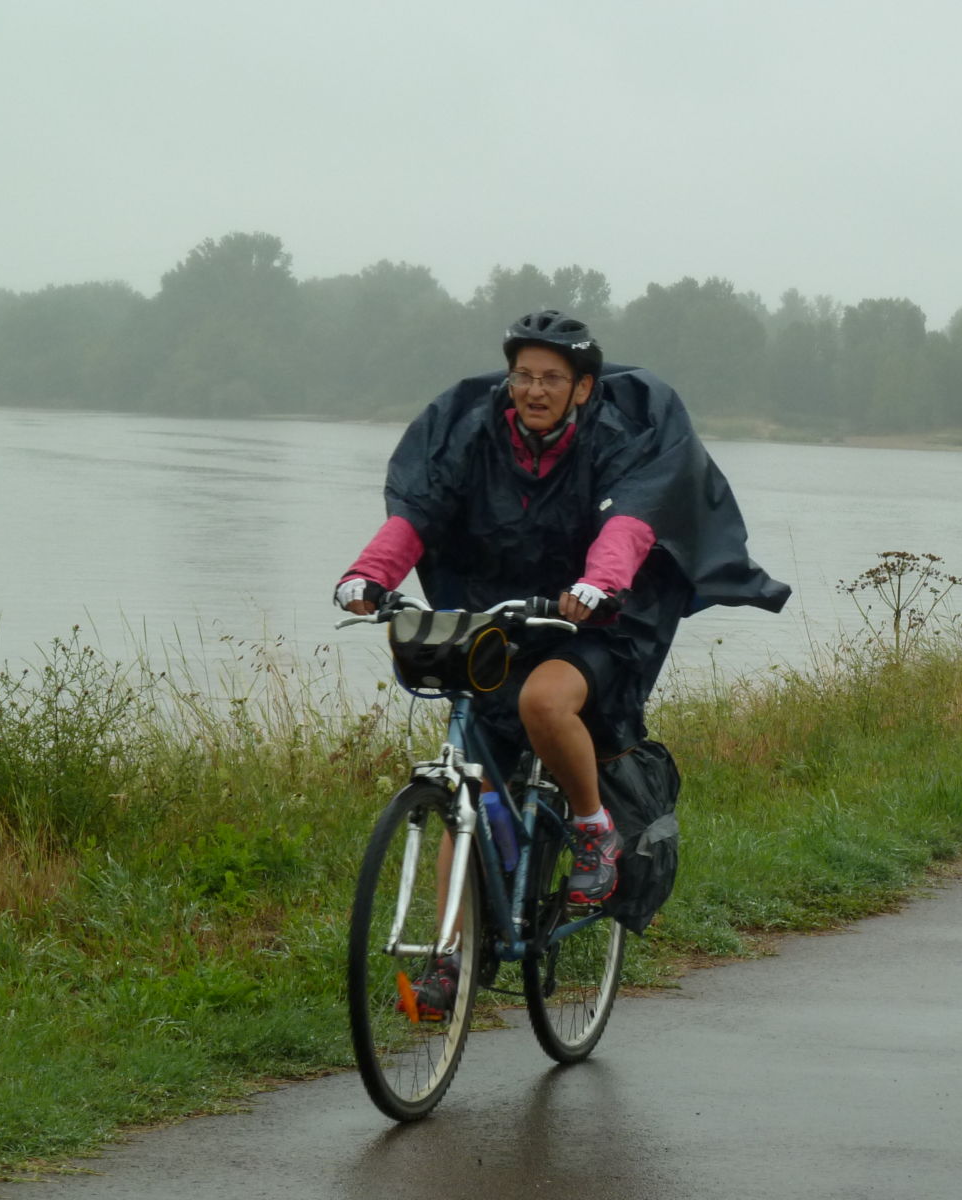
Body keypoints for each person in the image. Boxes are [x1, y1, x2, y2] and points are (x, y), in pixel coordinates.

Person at [336, 309, 789, 1012]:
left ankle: (591, 831)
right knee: (471, 786)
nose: (534, 390)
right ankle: (451, 962)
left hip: (604, 619)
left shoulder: (616, 434)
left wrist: (599, 584)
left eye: (552, 378)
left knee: (542, 703)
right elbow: (420, 510)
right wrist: (369, 574)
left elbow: (631, 520)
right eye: (524, 375)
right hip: (509, 614)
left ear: (582, 388)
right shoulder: (476, 432)